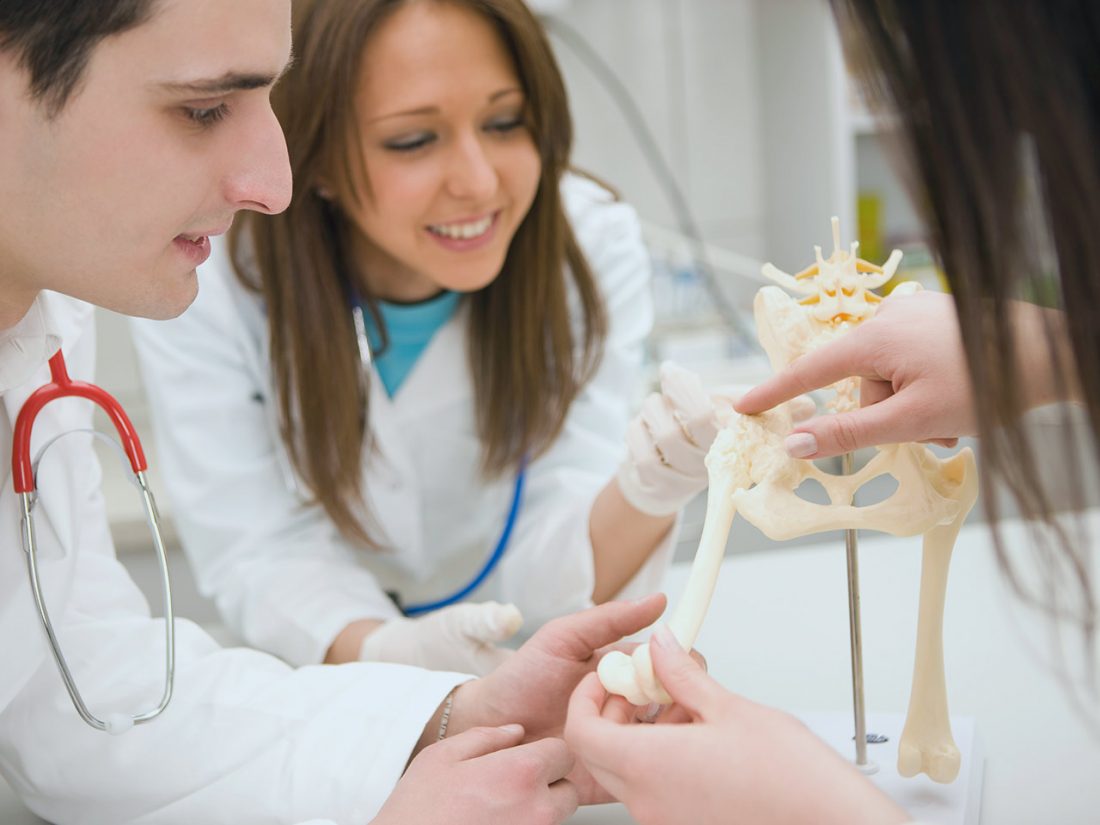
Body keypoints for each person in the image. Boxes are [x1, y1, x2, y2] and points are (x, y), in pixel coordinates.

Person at [0, 2, 671, 823]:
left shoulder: (45, 328)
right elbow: (252, 556)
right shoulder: (191, 278)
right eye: (205, 109)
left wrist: (450, 714)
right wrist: (390, 672)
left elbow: (80, 697)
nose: (275, 184)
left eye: (504, 123)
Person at [564, 0, 1099, 822]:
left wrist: (806, 807)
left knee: (937, 488)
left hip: (896, 470)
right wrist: (1045, 347)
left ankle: (921, 715)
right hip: (818, 456)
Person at [130, 0, 725, 675]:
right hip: (328, 679)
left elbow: (560, 527)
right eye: (413, 140)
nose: (478, 181)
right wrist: (385, 652)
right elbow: (257, 547)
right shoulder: (213, 278)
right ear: (315, 158)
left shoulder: (586, 246)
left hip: (527, 650)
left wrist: (649, 489)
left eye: (504, 123)